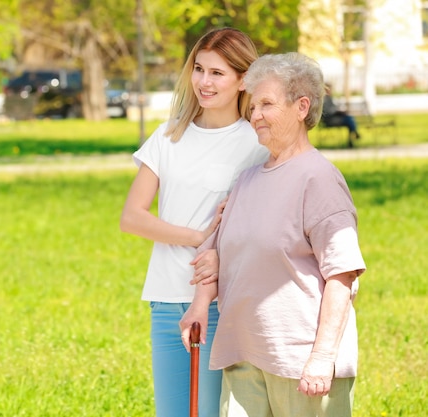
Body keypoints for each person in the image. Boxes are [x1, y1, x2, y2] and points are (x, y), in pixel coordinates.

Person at [180, 52, 366, 417]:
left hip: (300, 362)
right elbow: (215, 250)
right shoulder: (247, 180)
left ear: (301, 107)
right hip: (243, 353)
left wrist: (322, 357)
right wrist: (199, 304)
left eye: (266, 104)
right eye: (252, 106)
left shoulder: (319, 179)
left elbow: (341, 274)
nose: (255, 115)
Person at [120, 27, 268, 417]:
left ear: (243, 79)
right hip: (166, 297)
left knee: (210, 412)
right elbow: (132, 217)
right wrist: (197, 236)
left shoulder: (256, 143)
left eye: (217, 73)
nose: (204, 81)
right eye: (199, 69)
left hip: (223, 302)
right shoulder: (169, 136)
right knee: (172, 412)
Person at [321, 83, 360, 147]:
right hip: (330, 120)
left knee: (349, 118)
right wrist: (337, 112)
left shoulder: (329, 98)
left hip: (334, 118)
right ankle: (354, 135)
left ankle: (351, 140)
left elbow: (333, 108)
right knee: (349, 120)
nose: (331, 90)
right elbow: (328, 112)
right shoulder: (325, 99)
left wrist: (339, 111)